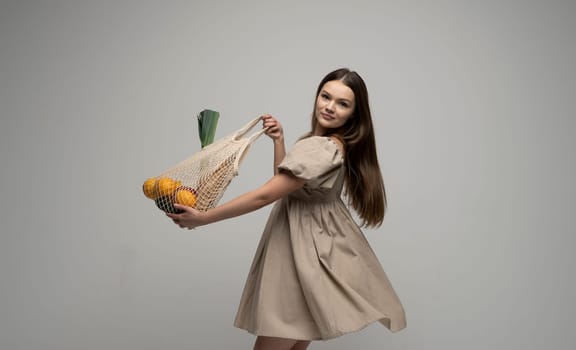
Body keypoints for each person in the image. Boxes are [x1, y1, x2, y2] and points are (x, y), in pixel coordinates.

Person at [167, 68, 407, 350]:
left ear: (354, 113)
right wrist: (279, 141)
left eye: (342, 103)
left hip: (300, 252)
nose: (329, 107)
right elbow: (288, 186)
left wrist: (204, 218)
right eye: (325, 96)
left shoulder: (320, 148)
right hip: (314, 251)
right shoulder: (322, 145)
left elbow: (267, 194)